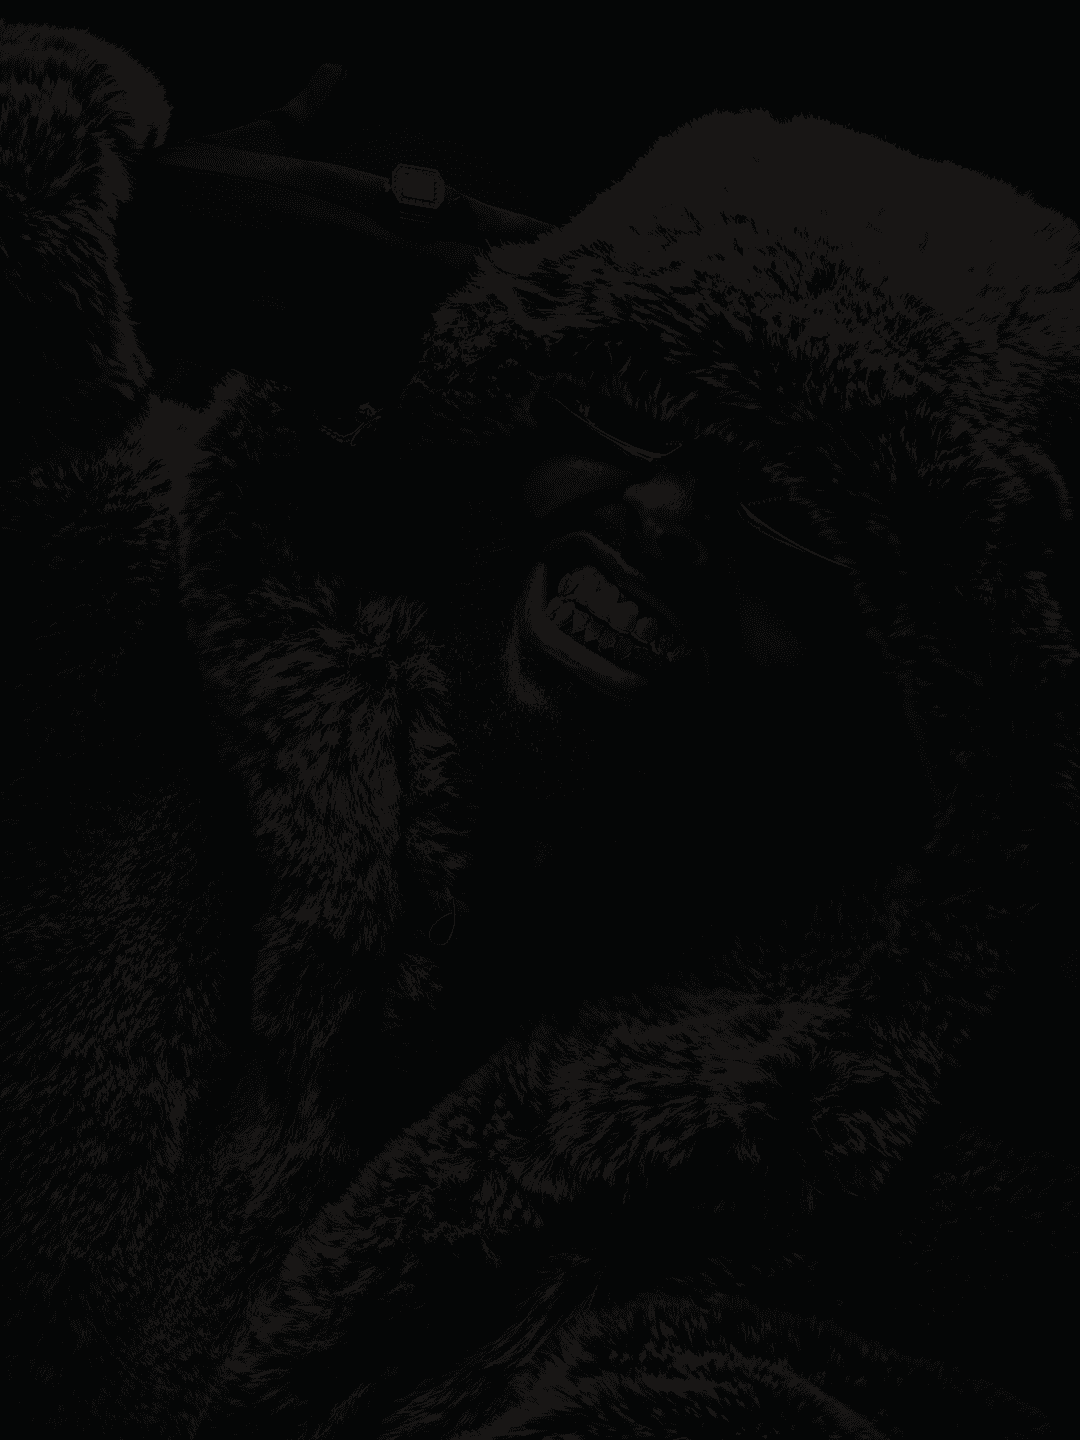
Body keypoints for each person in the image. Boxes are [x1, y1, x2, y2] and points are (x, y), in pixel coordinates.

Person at [3, 23, 1077, 1437]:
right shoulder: (157, 604)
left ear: (917, 685)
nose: (665, 514)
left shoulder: (881, 1180)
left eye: (792, 505)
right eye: (634, 409)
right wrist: (151, 230)